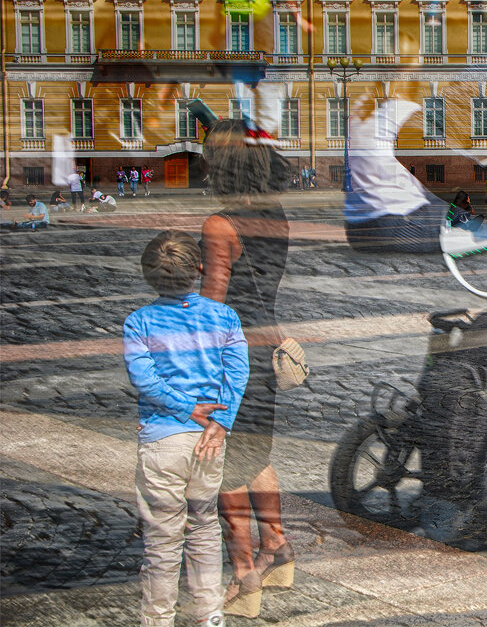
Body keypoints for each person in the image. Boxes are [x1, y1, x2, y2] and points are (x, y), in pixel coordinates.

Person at [124, 230, 249, 627]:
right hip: (208, 440)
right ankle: (209, 615)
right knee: (205, 526)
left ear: (148, 275)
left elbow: (143, 379)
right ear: (199, 269)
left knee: (162, 538)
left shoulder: (139, 322)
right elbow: (238, 372)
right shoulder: (224, 316)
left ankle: (158, 619)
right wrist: (219, 422)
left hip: (162, 439)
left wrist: (184, 408)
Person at [199, 119, 295, 617]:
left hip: (231, 356)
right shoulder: (275, 215)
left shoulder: (220, 225)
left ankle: (244, 578)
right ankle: (277, 549)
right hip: (267, 345)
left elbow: (215, 307)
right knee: (256, 455)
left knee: (226, 469)